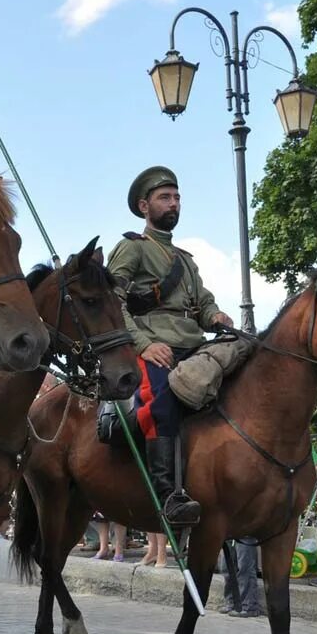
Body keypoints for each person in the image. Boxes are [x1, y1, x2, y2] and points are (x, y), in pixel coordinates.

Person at [107, 166, 233, 532]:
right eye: (165, 197)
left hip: (193, 344)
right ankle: (170, 495)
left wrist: (216, 317)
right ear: (144, 205)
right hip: (154, 346)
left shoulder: (187, 261)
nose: (174, 202)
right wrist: (144, 344)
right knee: (162, 403)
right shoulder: (133, 247)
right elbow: (111, 302)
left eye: (177, 196)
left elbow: (203, 303)